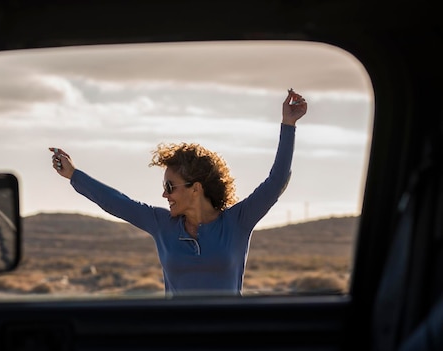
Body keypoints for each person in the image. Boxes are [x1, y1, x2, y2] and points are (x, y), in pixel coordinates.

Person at [49, 89, 307, 296]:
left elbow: (277, 182)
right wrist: (74, 174)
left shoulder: (237, 223)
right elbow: (116, 202)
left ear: (196, 188)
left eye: (170, 187)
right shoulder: (162, 225)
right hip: (176, 336)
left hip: (227, 339)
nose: (165, 195)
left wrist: (288, 124)